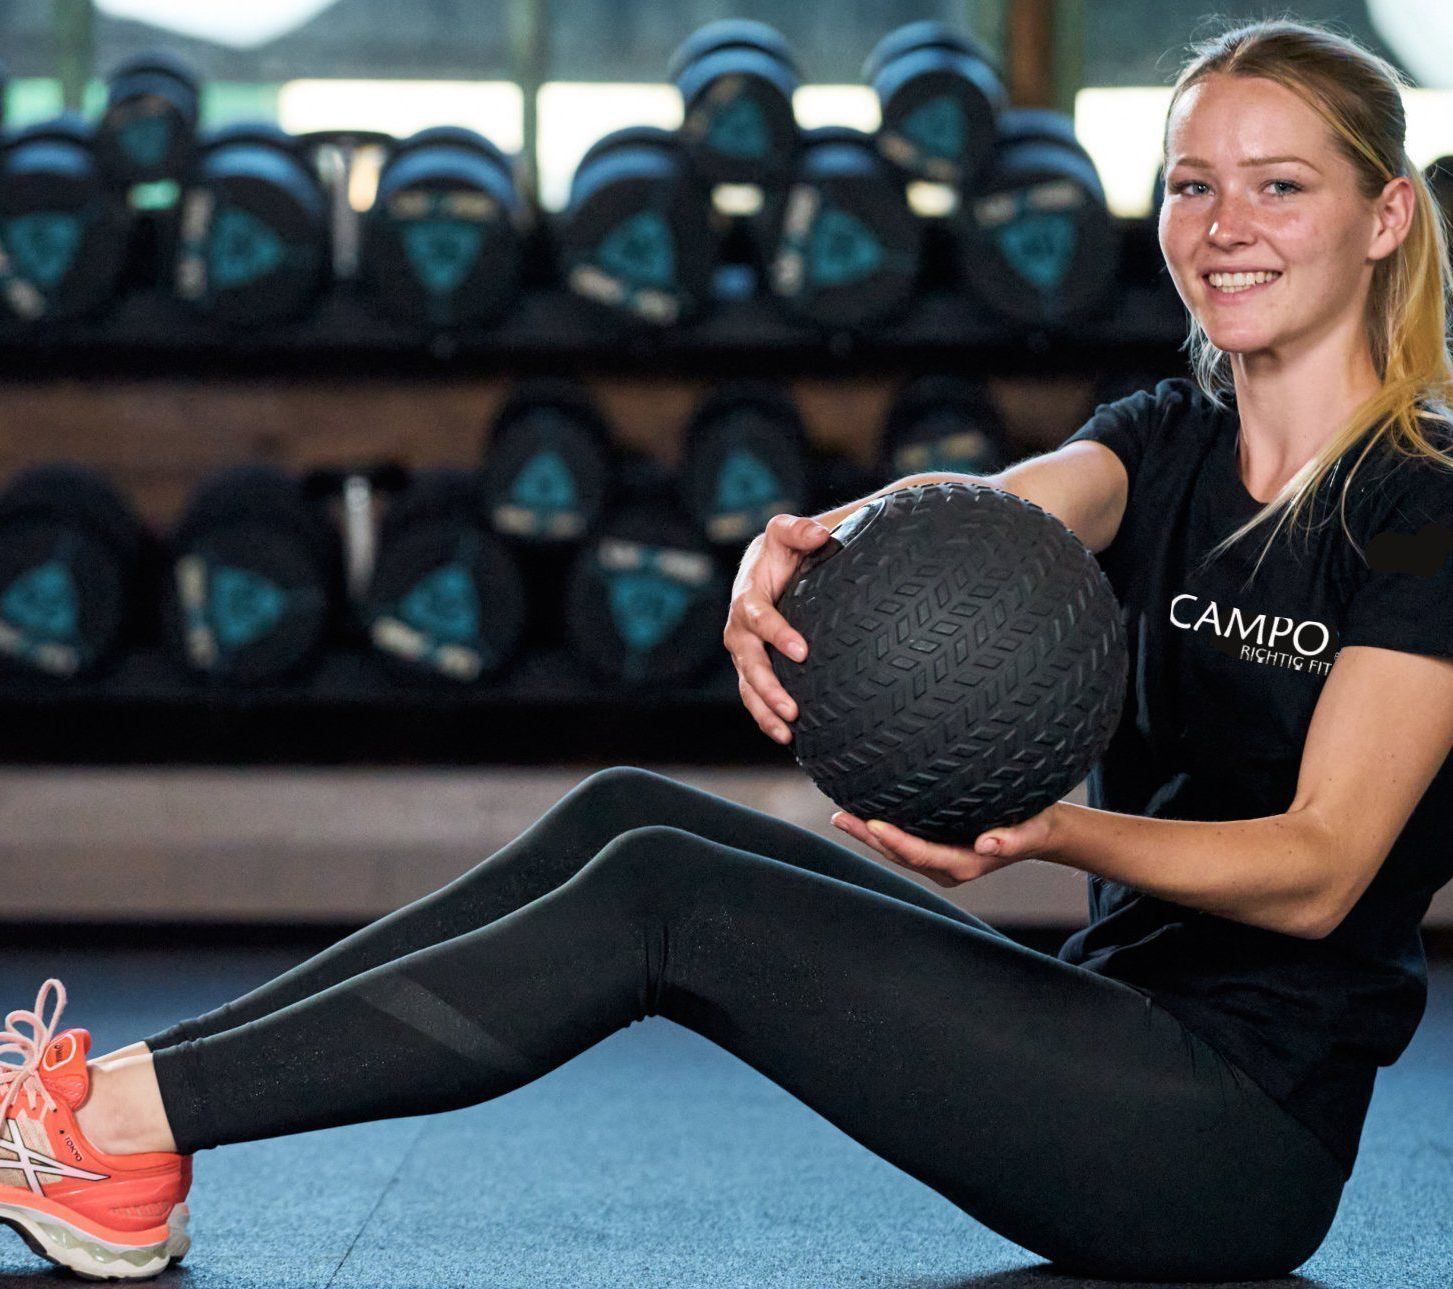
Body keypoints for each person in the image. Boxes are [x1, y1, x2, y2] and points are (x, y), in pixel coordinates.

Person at [4, 16, 1453, 1283]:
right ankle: (114, 1110)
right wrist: (815, 538)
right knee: (629, 809)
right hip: (1106, 1014)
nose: (1224, 225)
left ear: (1384, 216)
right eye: (1192, 184)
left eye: (1279, 186)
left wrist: (1051, 831)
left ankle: (105, 1126)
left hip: (1224, 1136)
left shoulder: (1423, 509)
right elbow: (988, 512)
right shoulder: (1167, 438)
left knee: (663, 899)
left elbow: (1322, 867)